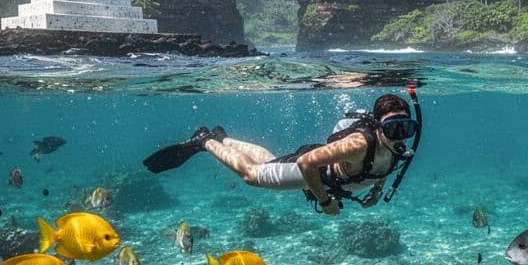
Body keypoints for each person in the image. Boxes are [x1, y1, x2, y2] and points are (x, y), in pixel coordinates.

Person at [143, 93, 420, 215]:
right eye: (392, 128)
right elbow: (306, 162)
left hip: (325, 174)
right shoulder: (358, 144)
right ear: (378, 126)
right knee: (252, 175)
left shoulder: (399, 148)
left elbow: (384, 166)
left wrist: (377, 186)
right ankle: (205, 142)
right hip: (314, 173)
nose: (399, 136)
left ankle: (222, 137)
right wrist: (324, 202)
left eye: (405, 127)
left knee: (268, 161)